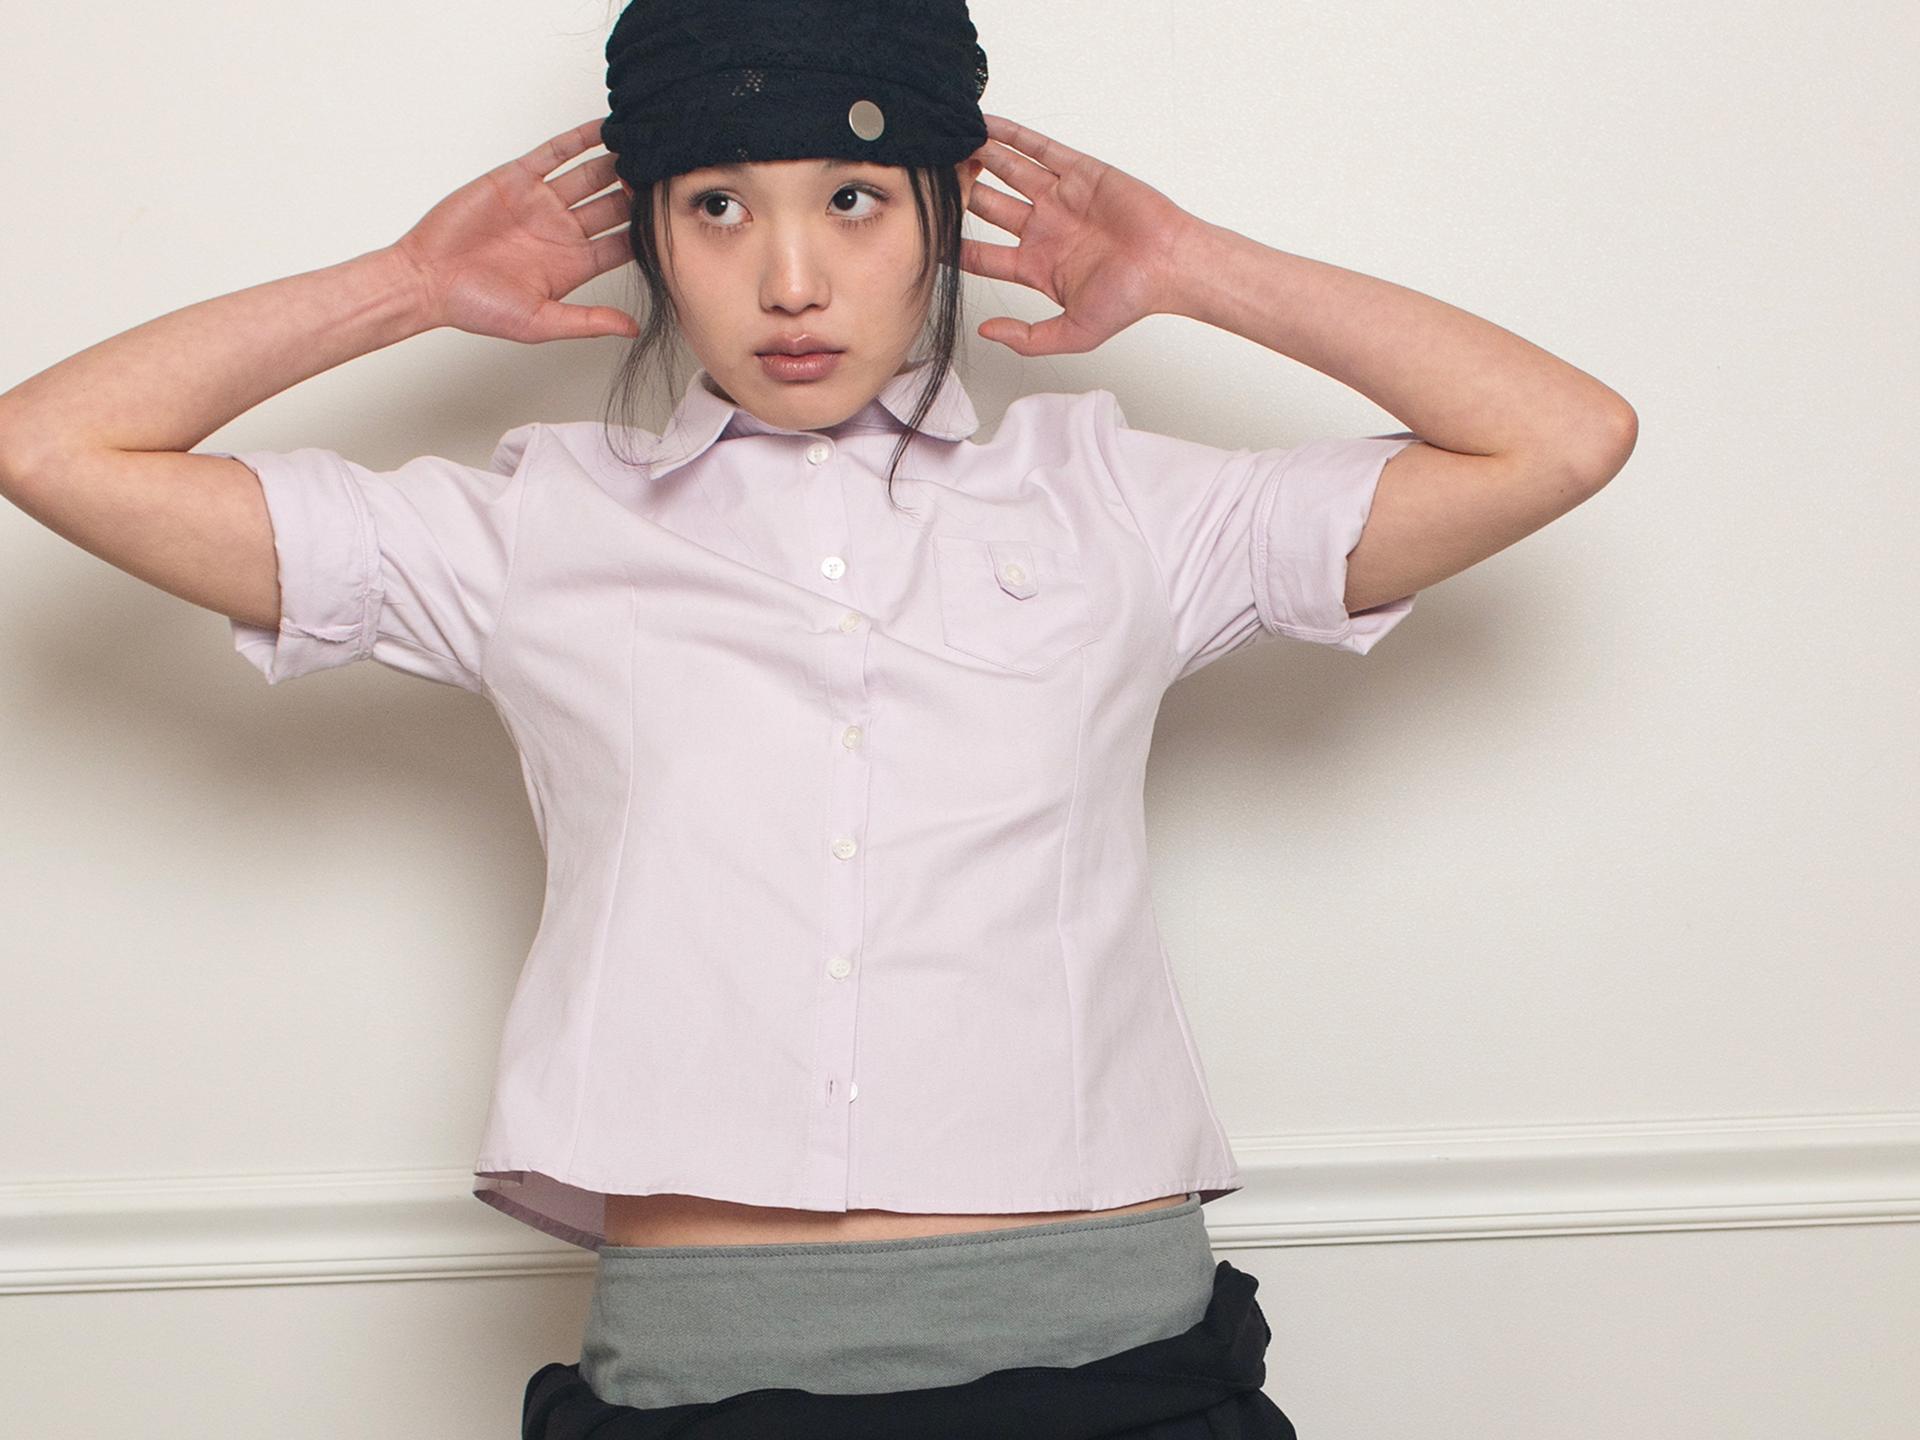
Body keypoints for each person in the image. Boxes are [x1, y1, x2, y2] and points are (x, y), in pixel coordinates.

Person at [0, 0, 1635, 1432]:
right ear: (650, 234)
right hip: (712, 1380)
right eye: (716, 207)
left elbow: (1561, 438)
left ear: (940, 212)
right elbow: (52, 448)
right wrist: (407, 285)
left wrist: (1199, 269)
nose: (790, 281)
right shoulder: (531, 530)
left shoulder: (1117, 501)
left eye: (854, 200)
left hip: (1117, 1364)